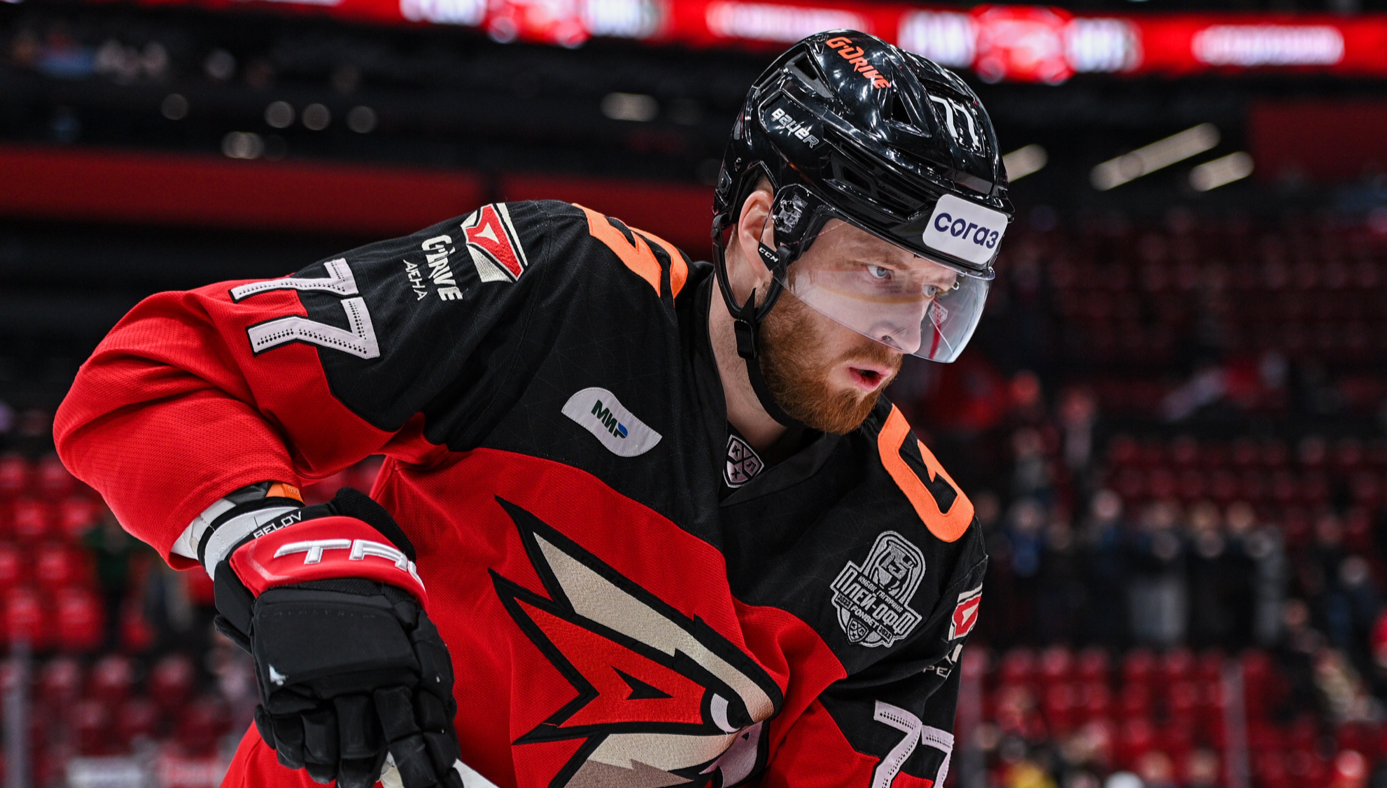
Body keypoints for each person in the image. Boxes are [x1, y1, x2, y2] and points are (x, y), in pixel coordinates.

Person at [54, 30, 1012, 788]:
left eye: (940, 293)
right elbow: (154, 372)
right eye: (878, 273)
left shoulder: (918, 546)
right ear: (763, 229)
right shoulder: (552, 285)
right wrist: (274, 545)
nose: (904, 332)